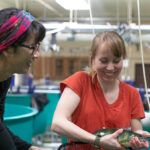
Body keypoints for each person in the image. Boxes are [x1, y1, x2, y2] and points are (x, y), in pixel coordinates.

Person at [51, 31, 150, 150]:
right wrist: (98, 141)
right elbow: (57, 123)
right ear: (93, 59)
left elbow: (136, 131)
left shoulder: (132, 94)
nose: (110, 67)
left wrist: (138, 139)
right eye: (104, 61)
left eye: (116, 61)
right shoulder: (80, 82)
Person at [0, 8, 46, 150]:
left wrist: (27, 148)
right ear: (8, 48)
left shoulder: (4, 76)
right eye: (32, 47)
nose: (36, 55)